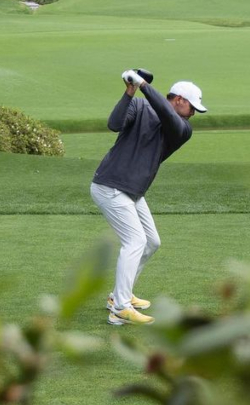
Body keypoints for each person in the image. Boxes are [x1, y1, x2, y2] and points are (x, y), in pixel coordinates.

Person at [91, 70, 207, 326]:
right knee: (135, 241)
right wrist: (130, 90)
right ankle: (120, 307)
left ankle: (118, 297)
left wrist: (143, 85)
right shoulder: (140, 105)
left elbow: (165, 114)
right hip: (109, 184)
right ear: (178, 99)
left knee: (151, 242)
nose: (193, 114)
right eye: (192, 107)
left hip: (131, 190)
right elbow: (114, 123)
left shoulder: (182, 129)